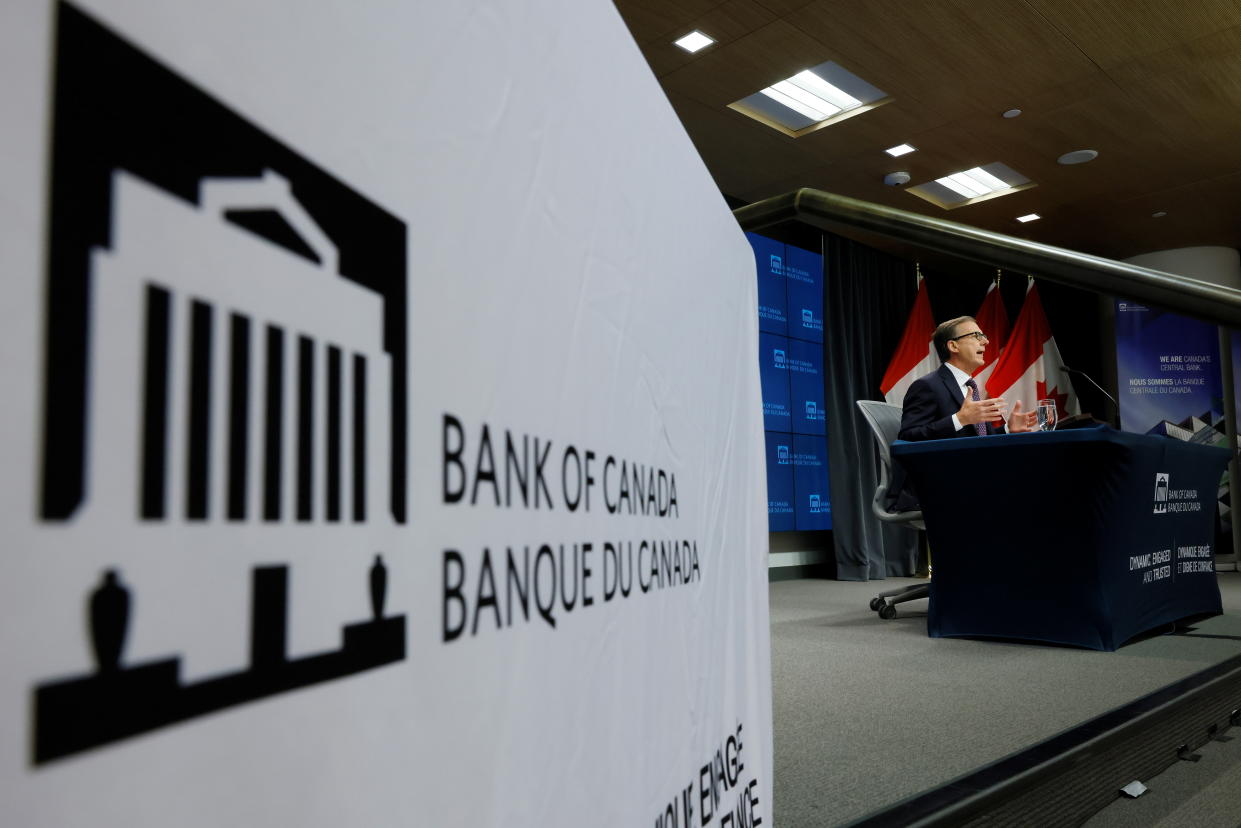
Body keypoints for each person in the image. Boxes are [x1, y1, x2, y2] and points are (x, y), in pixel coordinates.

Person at [890, 315, 1036, 509]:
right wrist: (959, 419)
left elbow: (977, 440)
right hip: (943, 484)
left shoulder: (970, 387)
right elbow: (907, 438)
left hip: (974, 477)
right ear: (953, 346)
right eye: (976, 335)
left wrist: (1008, 430)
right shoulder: (927, 386)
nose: (986, 341)